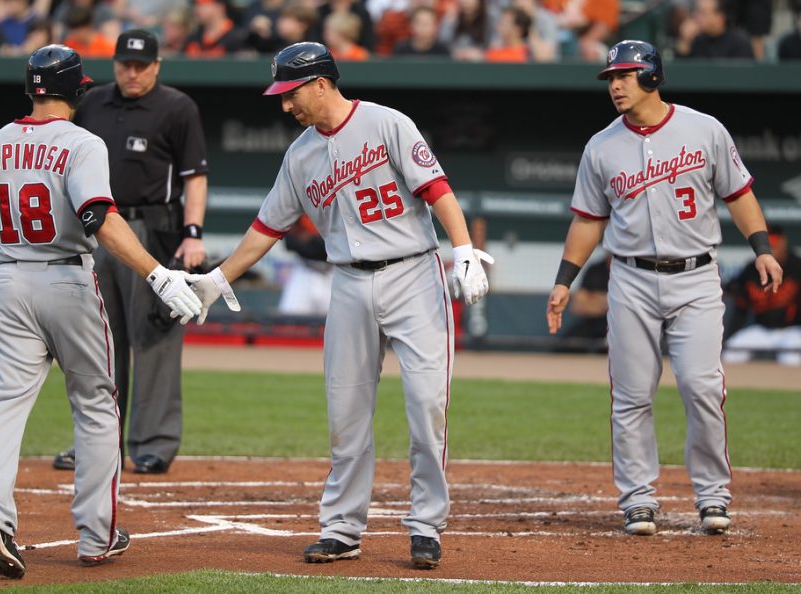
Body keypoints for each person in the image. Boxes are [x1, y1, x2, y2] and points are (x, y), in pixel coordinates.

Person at [185, 42, 492, 569]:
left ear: (320, 83)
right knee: (346, 414)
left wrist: (462, 249)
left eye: (290, 93)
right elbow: (266, 230)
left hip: (413, 273)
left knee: (427, 406)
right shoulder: (300, 154)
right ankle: (342, 529)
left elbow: (437, 189)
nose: (285, 105)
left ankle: (425, 527)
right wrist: (216, 279)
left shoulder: (386, 122)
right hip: (348, 283)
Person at [0, 45, 201, 579]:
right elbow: (99, 217)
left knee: (4, 405)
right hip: (66, 276)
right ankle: (97, 536)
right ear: (75, 90)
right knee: (96, 402)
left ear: (31, 88)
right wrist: (157, 273)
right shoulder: (82, 142)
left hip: (8, 281)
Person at [546, 40, 783, 537]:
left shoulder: (704, 129)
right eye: (611, 78)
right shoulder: (601, 146)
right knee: (631, 395)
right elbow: (589, 220)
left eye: (626, 75)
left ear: (653, 76)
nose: (615, 85)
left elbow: (738, 194)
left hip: (697, 276)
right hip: (630, 278)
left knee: (701, 387)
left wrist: (760, 247)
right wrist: (564, 280)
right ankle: (638, 499)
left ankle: (713, 496)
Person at [52, 29, 210, 475]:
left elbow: (195, 176)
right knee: (98, 343)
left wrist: (193, 233)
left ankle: (152, 444)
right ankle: (96, 443)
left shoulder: (177, 107)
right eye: (125, 63)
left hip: (153, 229)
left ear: (157, 65)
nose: (133, 72)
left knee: (155, 337)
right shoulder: (93, 104)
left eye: (141, 64)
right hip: (97, 229)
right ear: (115, 63)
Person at [723, 226, 801, 365]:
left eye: (775, 246)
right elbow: (734, 292)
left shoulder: (796, 266)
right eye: (769, 246)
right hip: (762, 330)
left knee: (792, 360)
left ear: (783, 244)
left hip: (792, 332)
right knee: (731, 353)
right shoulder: (752, 270)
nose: (771, 250)